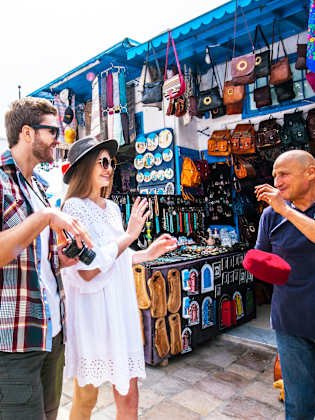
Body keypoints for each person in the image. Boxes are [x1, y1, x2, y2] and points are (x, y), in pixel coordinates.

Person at [61, 136, 177, 420]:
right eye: (102, 161)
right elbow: (87, 270)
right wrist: (129, 236)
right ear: (84, 166)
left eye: (111, 162)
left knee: (129, 397)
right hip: (94, 316)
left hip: (120, 311)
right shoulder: (72, 209)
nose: (109, 168)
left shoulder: (112, 208)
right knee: (86, 399)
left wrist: (147, 253)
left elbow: (116, 257)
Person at [0, 97, 93, 420]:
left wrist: (64, 258)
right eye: (53, 130)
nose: (59, 138)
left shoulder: (39, 186)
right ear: (27, 133)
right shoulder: (0, 182)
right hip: (15, 338)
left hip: (51, 331)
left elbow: (36, 261)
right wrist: (46, 217)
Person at [255, 150, 315, 420]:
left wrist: (286, 212)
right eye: (274, 174)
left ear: (310, 172)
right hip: (291, 322)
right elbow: (263, 261)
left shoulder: (280, 210)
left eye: (284, 174)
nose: (276, 181)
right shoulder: (269, 216)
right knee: (299, 404)